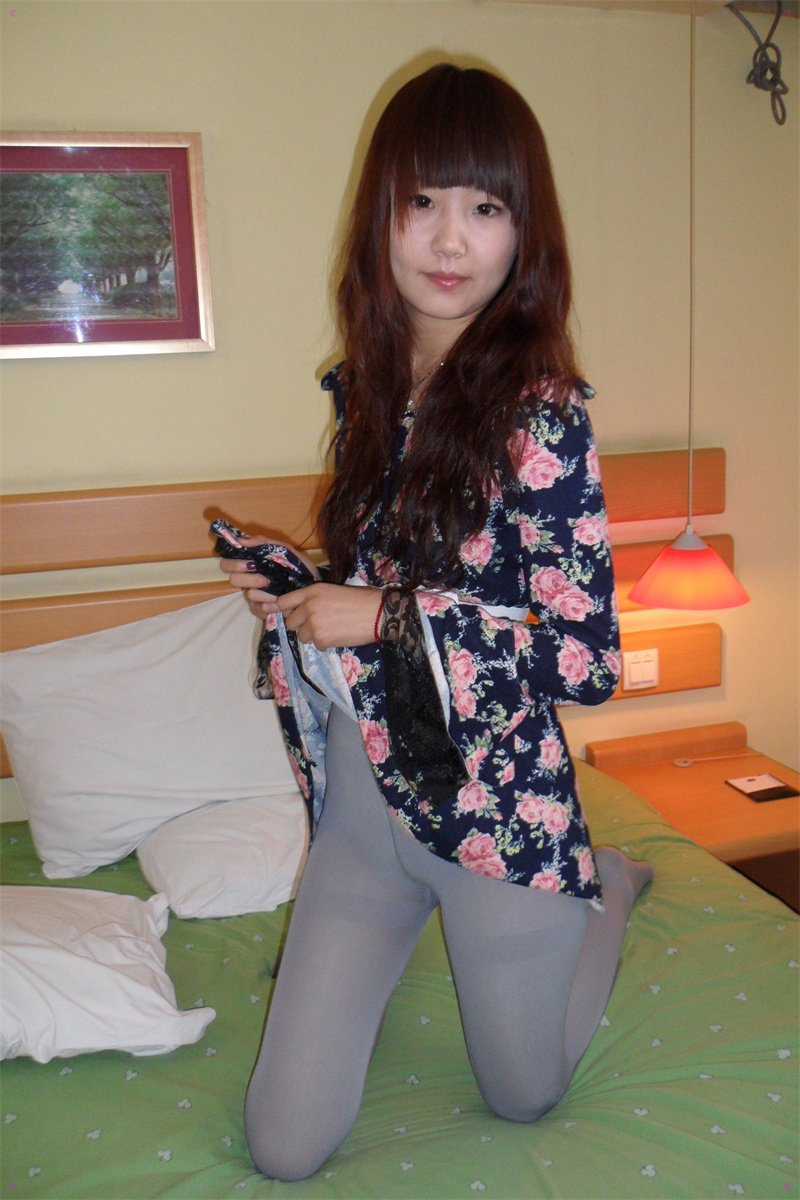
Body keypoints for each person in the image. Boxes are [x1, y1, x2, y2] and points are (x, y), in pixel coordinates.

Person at [220, 61, 653, 1182]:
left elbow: (586, 661)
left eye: (485, 206)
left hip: (496, 813)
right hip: (367, 812)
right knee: (283, 1148)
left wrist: (384, 617)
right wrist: (303, 601)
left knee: (523, 1096)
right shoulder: (361, 389)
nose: (449, 239)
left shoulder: (542, 420)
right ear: (381, 213)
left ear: (522, 231)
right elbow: (383, 581)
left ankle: (603, 884)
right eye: (421, 200)